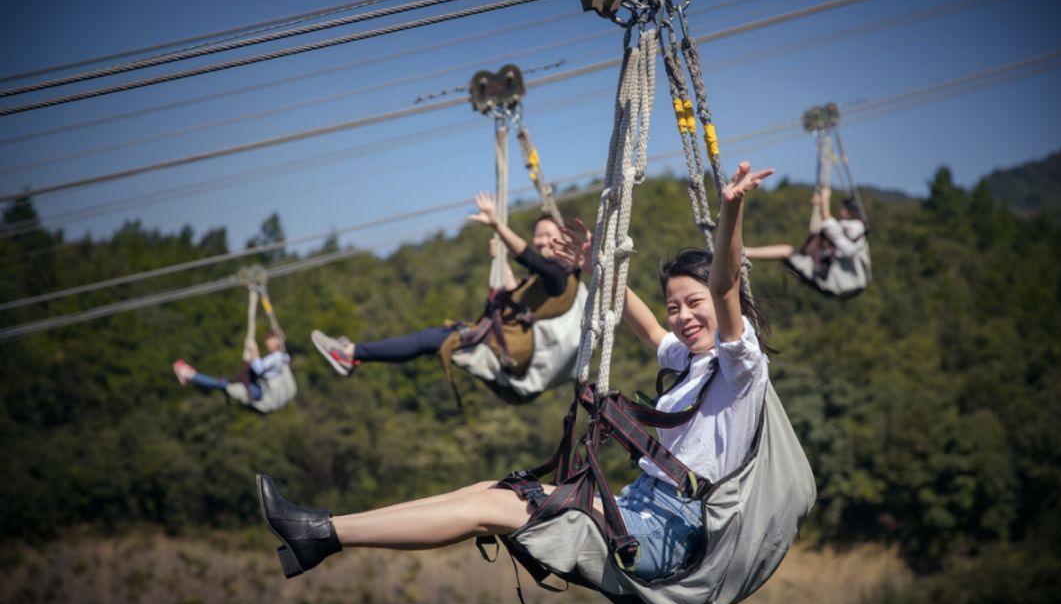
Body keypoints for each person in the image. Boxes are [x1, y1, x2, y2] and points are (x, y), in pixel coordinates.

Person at [257, 161, 774, 582]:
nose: (682, 318)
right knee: (488, 489)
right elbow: (641, 323)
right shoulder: (689, 361)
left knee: (496, 507)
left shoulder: (740, 365)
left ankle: (324, 533)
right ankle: (320, 532)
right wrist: (597, 262)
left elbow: (727, 288)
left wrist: (731, 211)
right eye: (674, 307)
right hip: (633, 508)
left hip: (667, 531)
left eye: (693, 304)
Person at [310, 191, 576, 377]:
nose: (541, 241)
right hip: (500, 340)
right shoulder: (546, 277)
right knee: (426, 339)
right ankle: (354, 354)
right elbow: (514, 294)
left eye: (547, 236)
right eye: (537, 235)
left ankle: (351, 353)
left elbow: (528, 257)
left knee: (426, 339)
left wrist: (498, 225)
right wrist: (502, 263)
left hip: (501, 347)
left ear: (562, 241)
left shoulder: (559, 276)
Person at [744, 185, 866, 263]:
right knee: (788, 251)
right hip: (825, 260)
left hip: (828, 265)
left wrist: (824, 199)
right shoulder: (847, 226)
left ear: (851, 211)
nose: (841, 211)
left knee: (787, 251)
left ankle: (746, 252)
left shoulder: (857, 226)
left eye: (843, 209)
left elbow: (828, 222)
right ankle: (746, 252)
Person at [174, 332, 291, 404]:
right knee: (223, 384)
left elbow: (258, 368)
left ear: (277, 340)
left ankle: (188, 374)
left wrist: (254, 349)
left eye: (269, 339)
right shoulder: (282, 357)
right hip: (259, 387)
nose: (266, 342)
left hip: (261, 392)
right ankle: (190, 375)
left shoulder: (277, 357)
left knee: (223, 384)